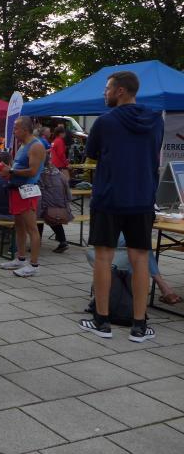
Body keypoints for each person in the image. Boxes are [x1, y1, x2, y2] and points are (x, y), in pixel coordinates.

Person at [79, 71, 163, 343]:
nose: (104, 93)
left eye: (107, 88)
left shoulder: (105, 122)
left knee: (103, 258)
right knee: (140, 260)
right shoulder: (156, 121)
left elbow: (92, 154)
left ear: (120, 91)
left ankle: (102, 321)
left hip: (109, 198)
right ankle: (139, 325)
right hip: (142, 198)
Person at [0, 116, 46, 277]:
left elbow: (32, 171)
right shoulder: (23, 145)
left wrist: (10, 171)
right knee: (19, 226)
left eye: (16, 128)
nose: (14, 132)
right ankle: (21, 258)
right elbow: (19, 167)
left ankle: (34, 265)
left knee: (31, 228)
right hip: (17, 189)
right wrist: (7, 170)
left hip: (27, 190)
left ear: (25, 129)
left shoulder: (36, 146)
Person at [37, 162, 72, 253]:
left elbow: (39, 192)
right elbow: (69, 194)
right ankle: (63, 241)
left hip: (46, 206)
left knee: (38, 216)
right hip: (60, 205)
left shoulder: (40, 175)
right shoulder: (60, 174)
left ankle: (36, 242)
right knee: (54, 218)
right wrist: (66, 203)